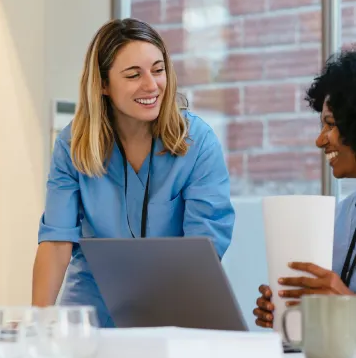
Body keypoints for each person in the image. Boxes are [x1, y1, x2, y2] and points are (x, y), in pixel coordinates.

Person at [32, 18, 235, 327]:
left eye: (158, 70)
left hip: (174, 303)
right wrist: (38, 322)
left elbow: (202, 249)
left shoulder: (197, 141)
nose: (151, 85)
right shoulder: (73, 144)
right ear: (102, 84)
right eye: (133, 75)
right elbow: (57, 243)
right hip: (91, 312)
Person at [254, 49, 356, 329]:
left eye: (331, 125)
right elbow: (329, 316)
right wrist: (289, 306)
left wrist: (348, 305)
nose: (319, 140)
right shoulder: (341, 216)